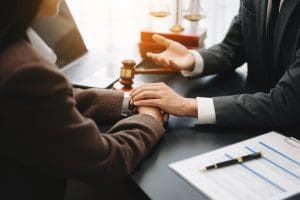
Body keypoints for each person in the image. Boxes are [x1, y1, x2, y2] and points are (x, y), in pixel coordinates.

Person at [0, 0, 165, 199]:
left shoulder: (12, 49)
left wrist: (128, 101)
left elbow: (51, 100)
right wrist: (150, 118)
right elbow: (106, 161)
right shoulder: (26, 72)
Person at [130, 0, 300, 128]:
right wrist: (194, 59)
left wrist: (187, 105)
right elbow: (234, 46)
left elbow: (285, 103)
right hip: (248, 119)